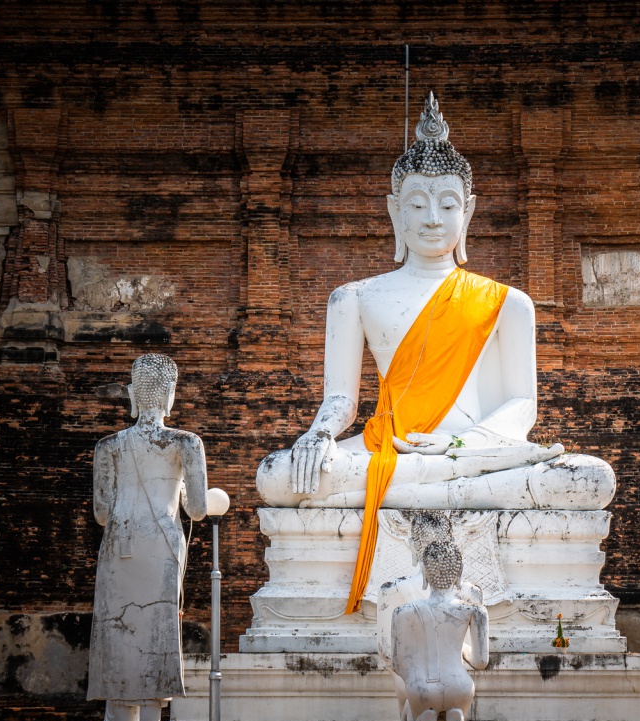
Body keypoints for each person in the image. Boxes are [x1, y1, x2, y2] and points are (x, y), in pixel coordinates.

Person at [255, 92, 614, 613]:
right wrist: (320, 433)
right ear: (394, 210)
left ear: (467, 212)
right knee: (278, 476)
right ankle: (430, 486)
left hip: (473, 455)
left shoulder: (508, 303)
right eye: (417, 203)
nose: (431, 217)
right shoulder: (353, 297)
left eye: (447, 203)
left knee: (590, 478)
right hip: (389, 451)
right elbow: (342, 400)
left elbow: (522, 407)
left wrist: (456, 449)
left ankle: (438, 482)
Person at [88, 353, 209, 721]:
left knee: (119, 636)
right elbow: (197, 510)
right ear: (171, 394)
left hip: (120, 544)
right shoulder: (186, 443)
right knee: (157, 635)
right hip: (160, 546)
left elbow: (101, 513)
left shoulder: (108, 447)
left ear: (132, 395)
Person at [390, 539, 489, 721]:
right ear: (459, 572)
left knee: (416, 718)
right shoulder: (475, 611)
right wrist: (462, 649)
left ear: (424, 571)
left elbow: (398, 665)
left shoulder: (401, 612)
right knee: (453, 718)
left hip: (421, 687)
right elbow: (481, 662)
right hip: (459, 687)